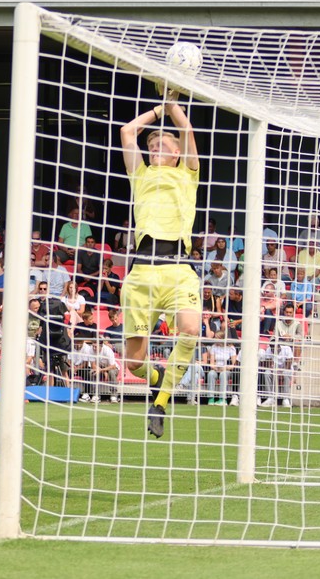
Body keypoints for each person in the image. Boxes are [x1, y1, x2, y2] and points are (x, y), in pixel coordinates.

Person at [119, 89, 200, 438]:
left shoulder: (188, 173)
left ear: (177, 151)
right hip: (141, 273)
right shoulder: (141, 174)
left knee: (191, 330)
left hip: (179, 268)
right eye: (152, 145)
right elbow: (126, 132)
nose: (155, 148)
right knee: (134, 363)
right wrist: (157, 109)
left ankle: (162, 401)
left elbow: (187, 130)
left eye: (163, 145)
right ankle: (155, 382)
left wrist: (172, 105)